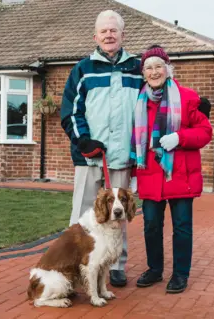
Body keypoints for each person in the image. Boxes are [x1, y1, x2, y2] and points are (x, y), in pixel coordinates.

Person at [60, 10, 142, 287]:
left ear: (122, 35)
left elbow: (158, 98)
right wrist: (83, 139)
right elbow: (71, 110)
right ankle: (74, 263)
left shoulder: (137, 68)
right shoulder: (83, 69)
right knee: (82, 214)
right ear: (95, 36)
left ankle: (116, 265)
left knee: (118, 215)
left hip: (121, 158)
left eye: (114, 30)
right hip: (88, 156)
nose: (109, 35)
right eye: (104, 31)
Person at [130, 45, 213, 293]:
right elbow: (133, 139)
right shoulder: (138, 101)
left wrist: (179, 137)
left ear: (167, 69)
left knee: (182, 227)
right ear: (143, 73)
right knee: (151, 226)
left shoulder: (188, 97)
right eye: (149, 68)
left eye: (158, 66)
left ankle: (180, 274)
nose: (154, 72)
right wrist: (134, 174)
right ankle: (155, 269)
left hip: (180, 175)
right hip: (149, 175)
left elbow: (205, 131)